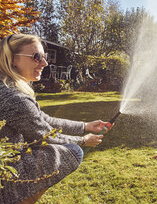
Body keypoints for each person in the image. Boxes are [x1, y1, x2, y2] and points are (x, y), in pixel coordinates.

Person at [0, 34, 111, 204]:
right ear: (13, 59)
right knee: (73, 151)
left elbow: (44, 119)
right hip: (5, 176)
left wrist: (85, 126)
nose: (45, 63)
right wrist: (83, 140)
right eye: (37, 57)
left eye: (44, 57)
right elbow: (46, 135)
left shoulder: (7, 88)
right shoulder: (15, 99)